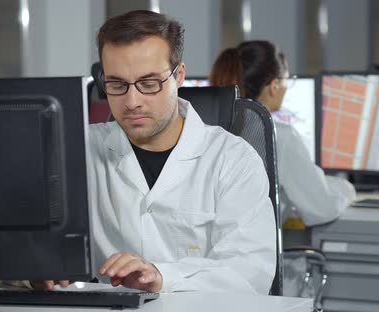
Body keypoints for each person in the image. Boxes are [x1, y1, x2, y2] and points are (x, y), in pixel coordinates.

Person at [35, 10, 276, 294]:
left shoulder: (233, 159)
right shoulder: (75, 150)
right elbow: (25, 241)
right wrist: (35, 271)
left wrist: (162, 277)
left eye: (149, 84)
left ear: (179, 76)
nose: (132, 101)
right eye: (117, 85)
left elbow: (249, 273)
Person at [209, 40, 356, 227]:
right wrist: (347, 189)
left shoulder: (207, 125)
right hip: (253, 252)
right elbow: (323, 209)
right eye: (288, 80)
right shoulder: (278, 135)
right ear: (274, 86)